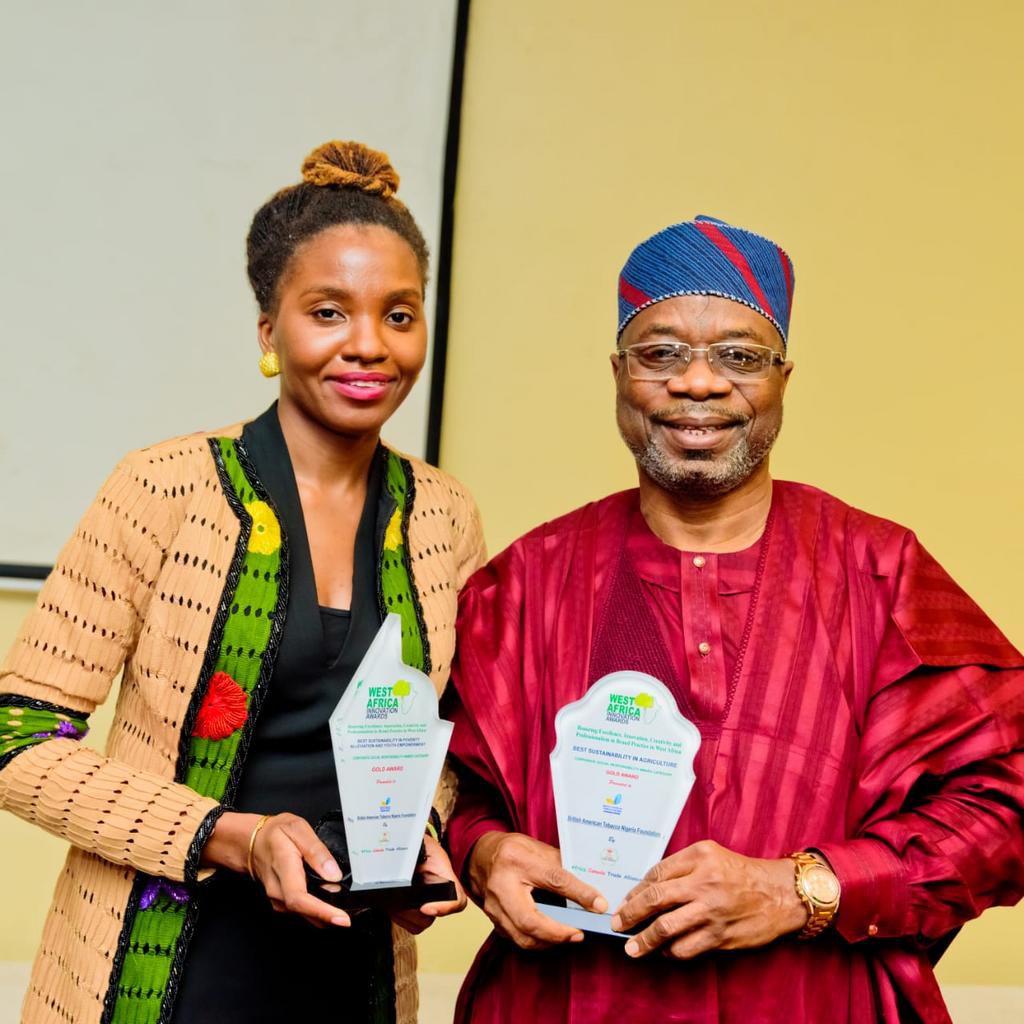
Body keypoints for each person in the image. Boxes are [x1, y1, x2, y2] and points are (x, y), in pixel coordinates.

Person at [444, 215, 1024, 1023]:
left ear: (785, 378)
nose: (699, 383)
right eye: (661, 354)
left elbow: (1005, 801)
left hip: (811, 1002)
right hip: (566, 1000)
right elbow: (454, 790)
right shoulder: (530, 580)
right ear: (617, 373)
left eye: (740, 357)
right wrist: (483, 852)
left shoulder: (879, 571)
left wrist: (803, 887)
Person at [0, 140, 485, 1024]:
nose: (369, 345)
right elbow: (18, 737)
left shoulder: (444, 515)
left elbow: (451, 740)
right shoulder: (162, 487)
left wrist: (422, 836)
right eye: (329, 312)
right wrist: (233, 837)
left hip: (351, 971)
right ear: (269, 332)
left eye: (400, 315)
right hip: (160, 975)